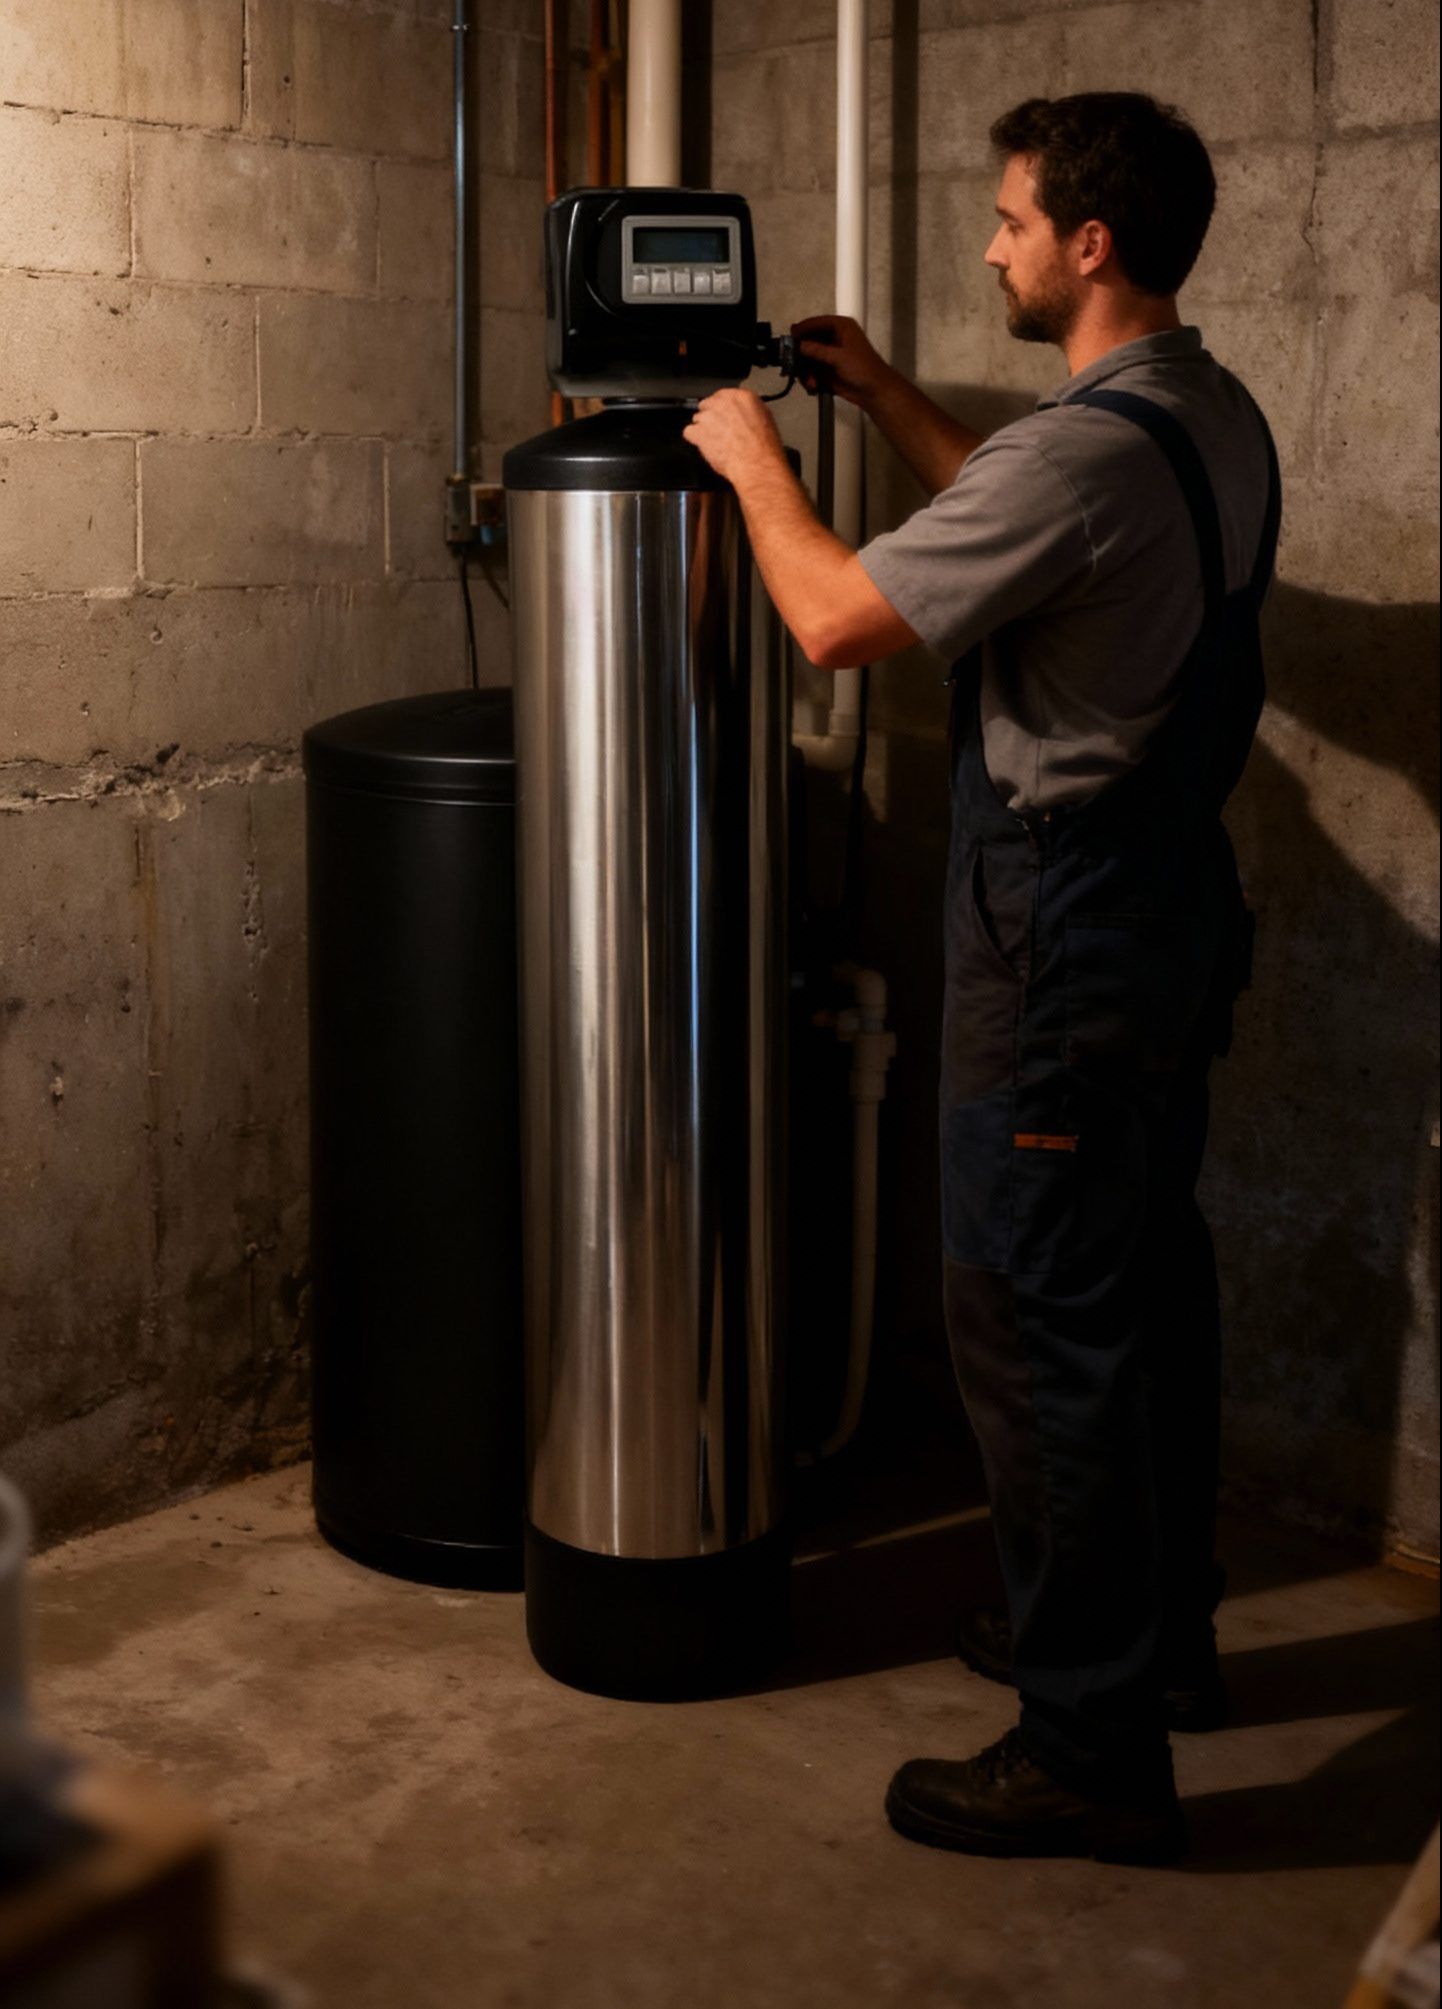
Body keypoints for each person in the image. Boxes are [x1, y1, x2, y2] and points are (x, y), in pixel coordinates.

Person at [684, 91, 1281, 1865]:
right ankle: (1153, 1641)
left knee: (1034, 1328)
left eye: (1012, 221)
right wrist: (874, 395)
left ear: (1089, 244)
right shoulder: (1194, 412)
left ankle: (1085, 1737)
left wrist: (756, 464)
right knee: (1137, 1288)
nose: (993, 244)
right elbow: (1020, 514)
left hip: (1064, 933)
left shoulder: (1080, 451)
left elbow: (838, 619)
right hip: (1165, 917)